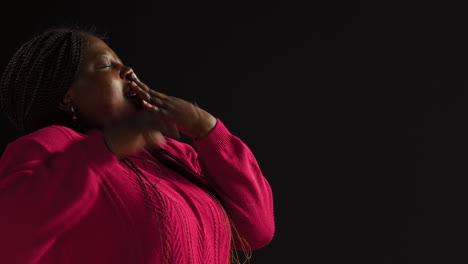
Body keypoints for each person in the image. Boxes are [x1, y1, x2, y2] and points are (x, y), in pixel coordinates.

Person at [0, 26, 275, 264]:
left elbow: (256, 229)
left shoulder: (175, 155)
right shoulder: (50, 146)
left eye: (123, 63)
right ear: (66, 97)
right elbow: (9, 239)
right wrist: (103, 149)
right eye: (107, 65)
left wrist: (207, 129)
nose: (129, 71)